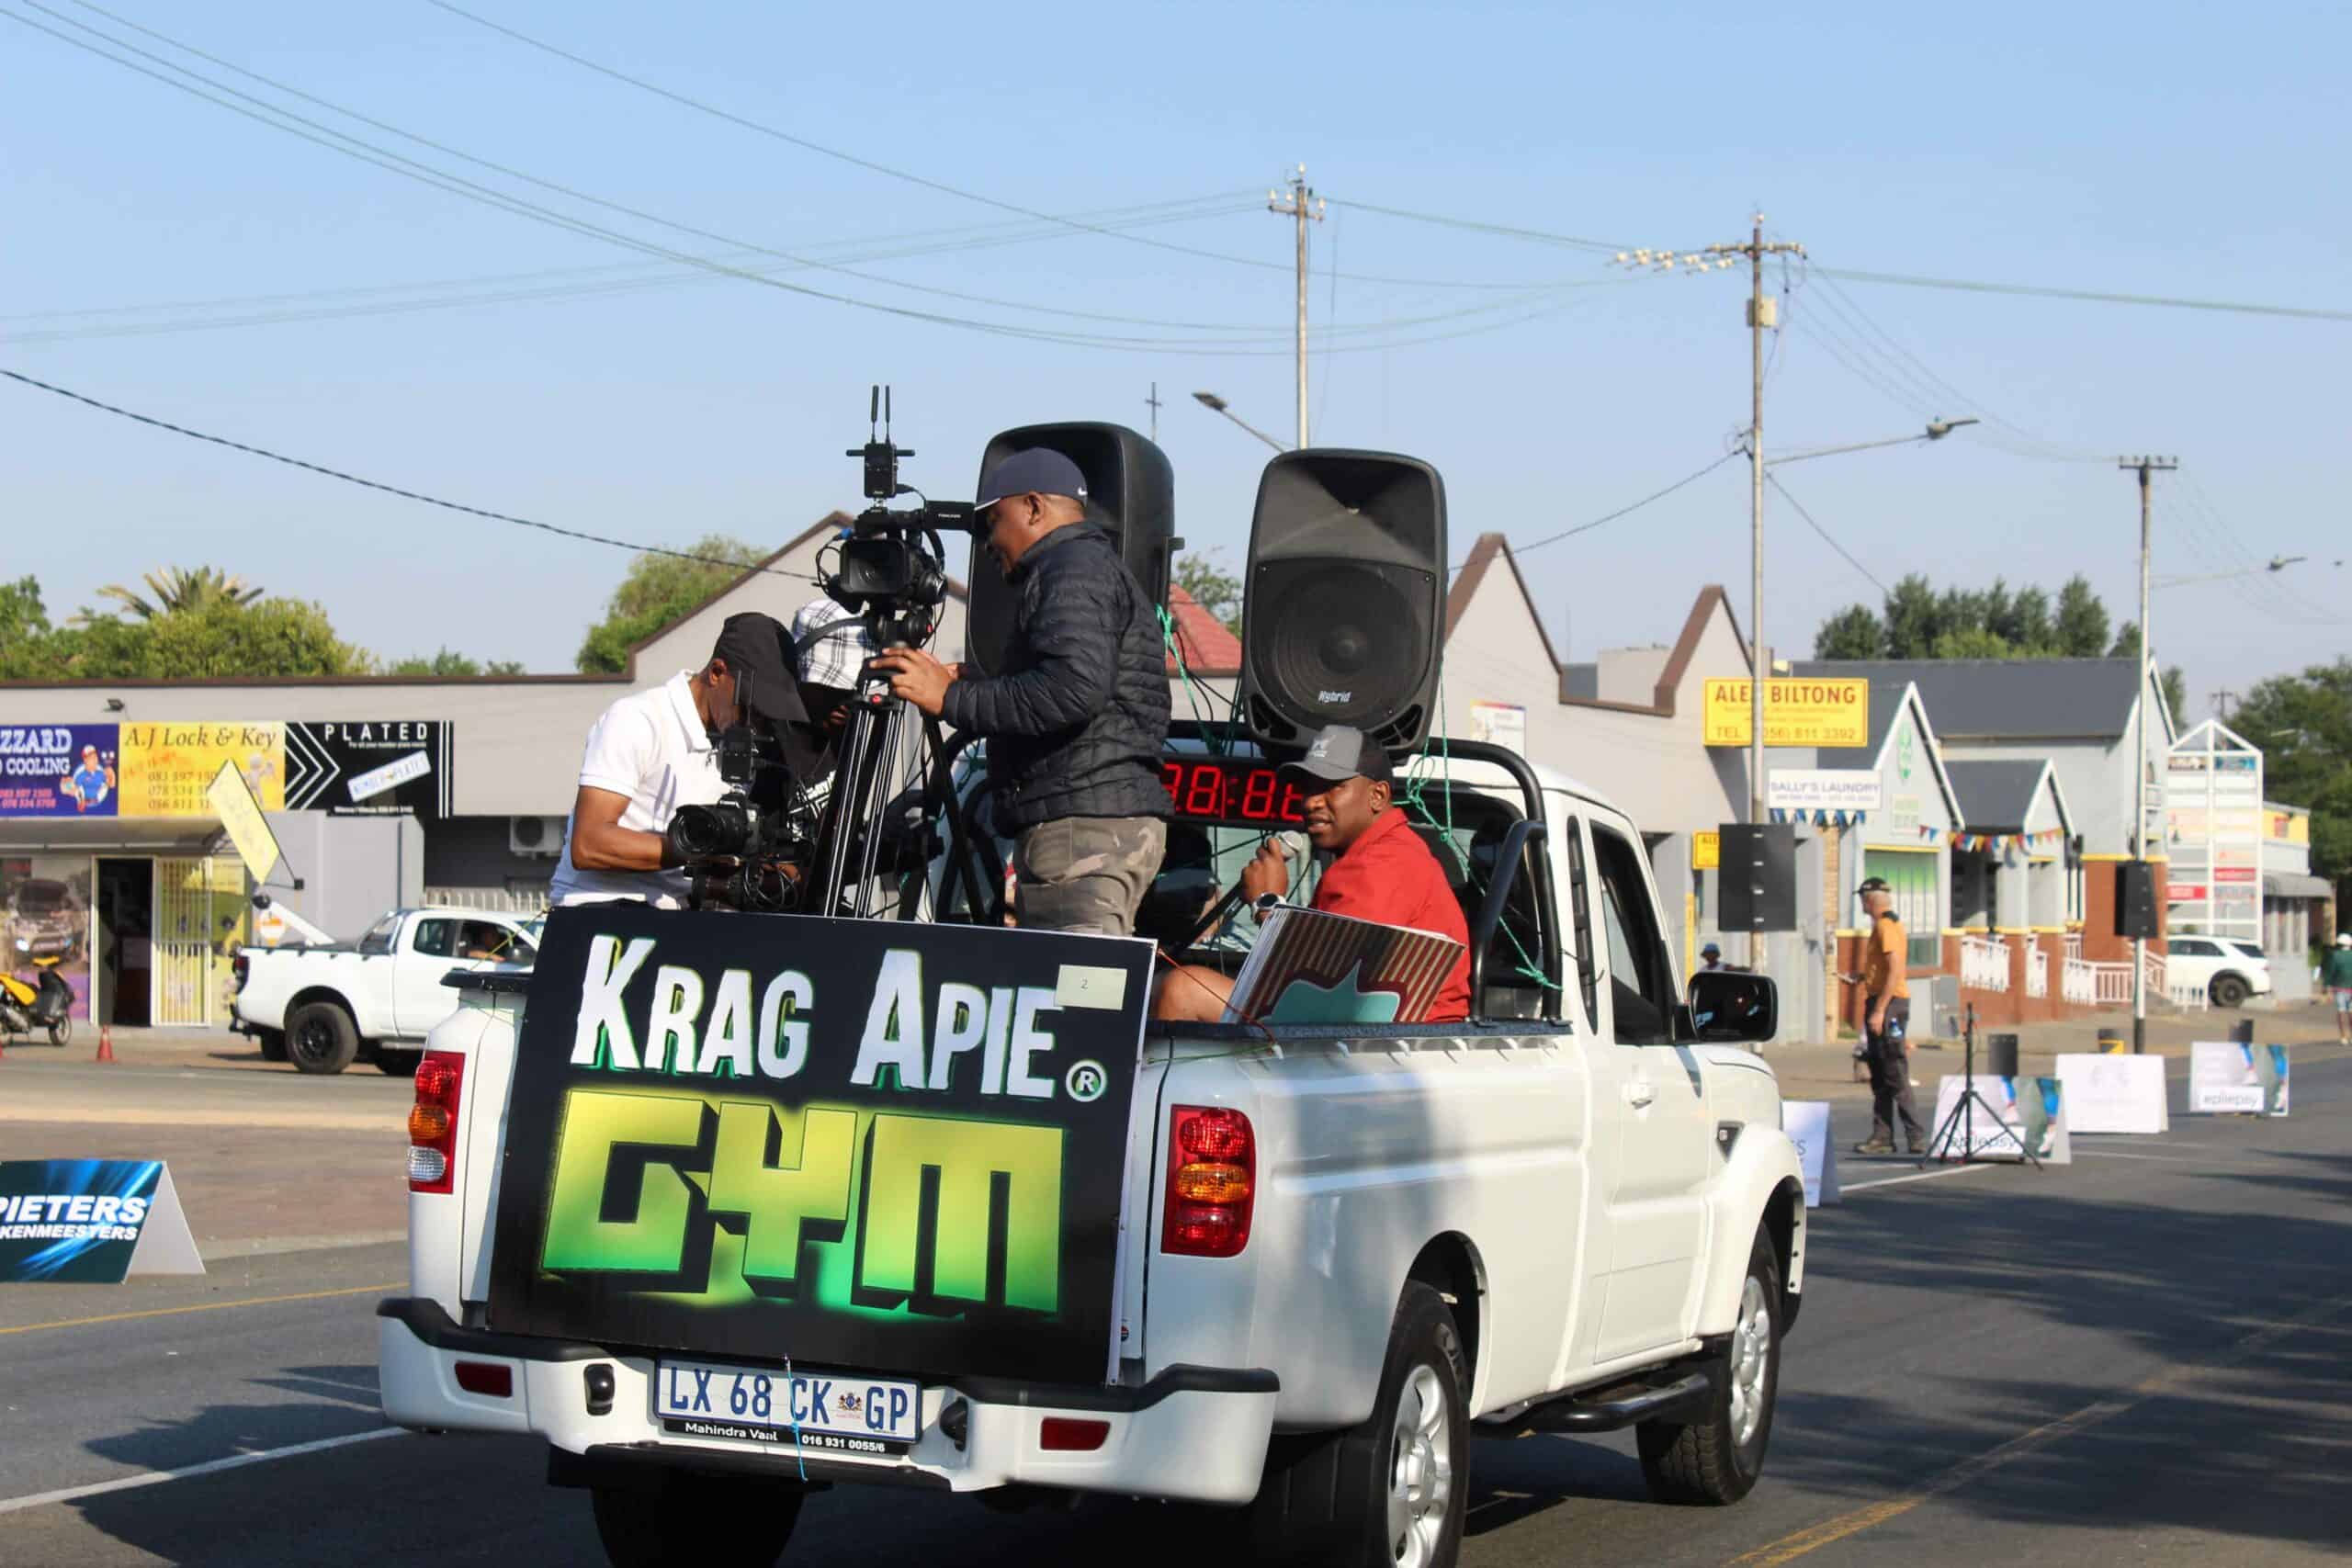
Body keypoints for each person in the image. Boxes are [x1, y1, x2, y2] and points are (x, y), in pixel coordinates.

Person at [871, 448, 1170, 936]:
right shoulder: (1082, 566)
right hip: (1085, 818)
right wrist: (977, 685)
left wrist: (950, 699)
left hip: (1083, 827)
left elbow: (1073, 689)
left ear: (1033, 507)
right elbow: (1076, 681)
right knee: (1066, 977)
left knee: (1073, 980)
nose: (989, 542)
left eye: (993, 522)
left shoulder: (1073, 568)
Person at [1154, 725, 1472, 1024]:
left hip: (1395, 1041)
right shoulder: (1388, 851)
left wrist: (1268, 904)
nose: (1311, 802)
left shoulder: (1381, 862)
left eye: (1332, 787)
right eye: (1308, 788)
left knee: (1183, 990)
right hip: (1372, 1031)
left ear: (1378, 796)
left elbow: (1324, 980)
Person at [548, 613, 808, 909]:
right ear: (716, 673)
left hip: (679, 911)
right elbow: (588, 844)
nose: (756, 724)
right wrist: (695, 847)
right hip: (599, 906)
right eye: (750, 707)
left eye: (767, 714)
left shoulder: (739, 743)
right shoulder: (638, 719)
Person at [788, 594, 881, 816]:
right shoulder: (767, 733)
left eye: (854, 689)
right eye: (833, 688)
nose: (847, 700)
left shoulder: (846, 733)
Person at [1851, 876, 1925, 1155]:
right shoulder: (1880, 926)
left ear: (1869, 899)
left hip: (1890, 1004)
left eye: (1862, 898)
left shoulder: (1886, 926)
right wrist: (1863, 977)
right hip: (1881, 1000)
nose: (1861, 903)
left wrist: (1880, 1010)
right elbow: (1883, 969)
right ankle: (1882, 1137)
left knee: (1894, 1070)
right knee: (1880, 1073)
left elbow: (1895, 969)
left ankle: (1915, 1135)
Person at [2325, 932, 2352, 1045]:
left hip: (2340, 988)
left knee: (2341, 1011)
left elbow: (2331, 971)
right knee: (2351, 1012)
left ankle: (2343, 1037)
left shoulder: (2335, 956)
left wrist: (2327, 986)